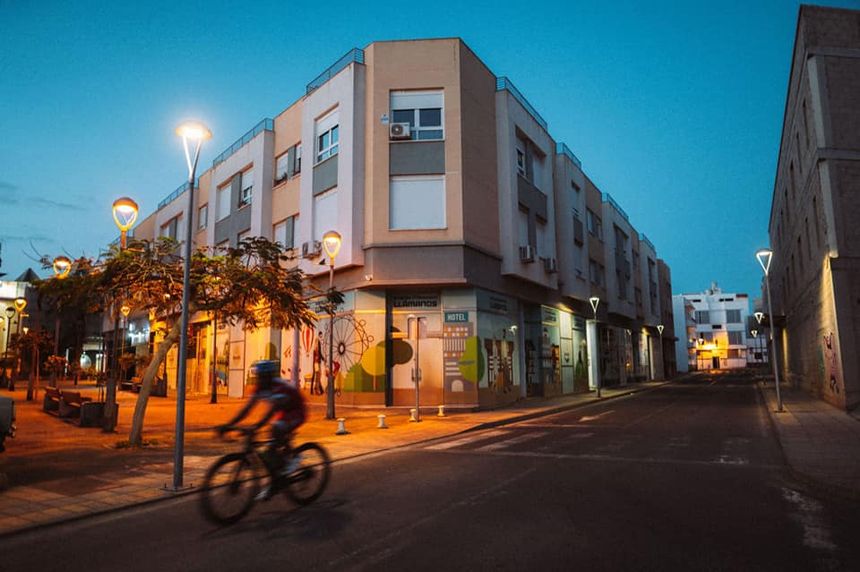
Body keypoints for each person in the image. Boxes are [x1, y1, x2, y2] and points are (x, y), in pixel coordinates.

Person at [217, 359, 306, 499]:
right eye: (259, 377)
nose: (261, 380)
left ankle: (293, 459)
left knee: (276, 430)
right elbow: (246, 409)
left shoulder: (279, 387)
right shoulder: (259, 388)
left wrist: (256, 427)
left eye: (264, 377)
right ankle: (276, 475)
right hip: (283, 411)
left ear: (270, 377)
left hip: (297, 410)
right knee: (270, 445)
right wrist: (228, 425)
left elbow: (271, 412)